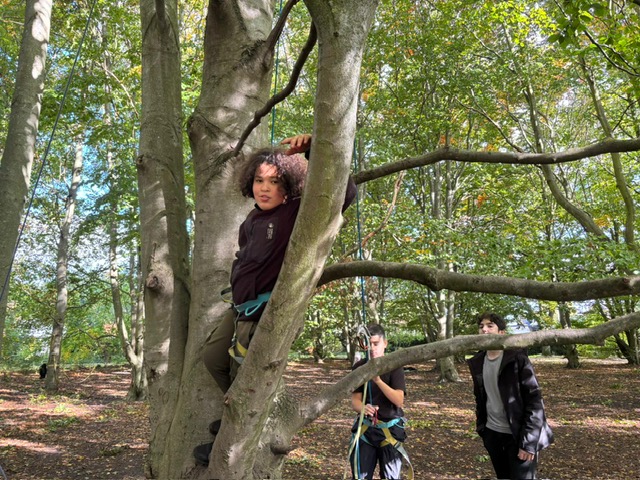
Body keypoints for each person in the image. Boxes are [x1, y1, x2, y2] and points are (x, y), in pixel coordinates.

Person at [194, 135, 357, 465]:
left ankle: (231, 438)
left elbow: (345, 193)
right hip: (240, 307)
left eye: (274, 182)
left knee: (246, 378)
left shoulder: (295, 212)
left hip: (266, 311)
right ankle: (237, 414)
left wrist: (313, 149)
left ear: (288, 186)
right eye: (259, 180)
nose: (264, 188)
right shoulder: (250, 221)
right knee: (212, 356)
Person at [467, 312, 554, 480]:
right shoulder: (478, 361)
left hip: (519, 435)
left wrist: (529, 442)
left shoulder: (517, 359)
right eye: (481, 326)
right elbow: (481, 397)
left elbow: (534, 401)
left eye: (490, 326)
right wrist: (483, 430)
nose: (484, 329)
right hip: (493, 434)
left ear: (502, 333)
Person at [350, 324, 409, 480]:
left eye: (376, 344)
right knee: (360, 476)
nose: (372, 348)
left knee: (391, 477)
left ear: (385, 343)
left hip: (390, 430)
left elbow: (399, 400)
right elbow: (355, 401)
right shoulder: (359, 367)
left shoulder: (394, 366)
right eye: (368, 344)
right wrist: (363, 408)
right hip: (366, 430)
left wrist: (378, 380)